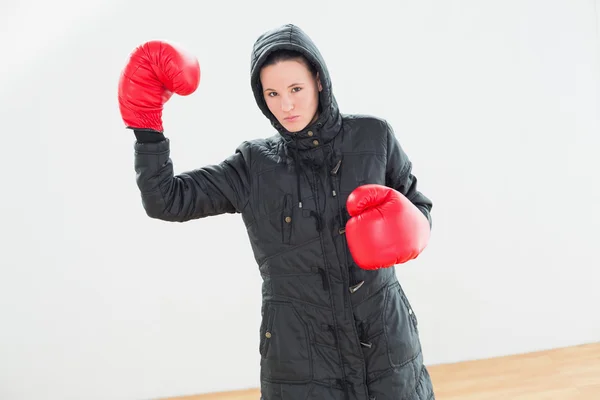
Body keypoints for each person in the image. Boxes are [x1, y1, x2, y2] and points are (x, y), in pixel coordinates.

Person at [118, 24, 435, 400]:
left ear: (318, 80)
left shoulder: (373, 137)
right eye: (272, 93)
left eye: (296, 89)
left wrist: (410, 226)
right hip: (301, 362)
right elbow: (166, 199)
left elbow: (419, 207)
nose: (286, 105)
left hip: (385, 349)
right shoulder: (253, 165)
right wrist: (147, 129)